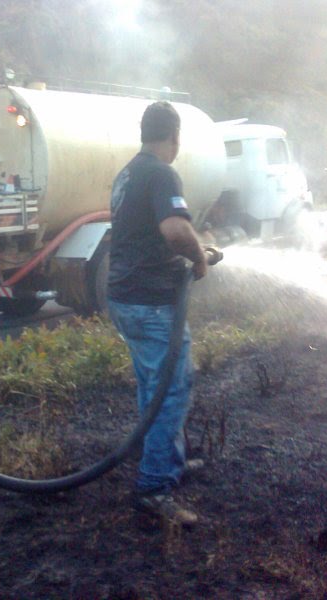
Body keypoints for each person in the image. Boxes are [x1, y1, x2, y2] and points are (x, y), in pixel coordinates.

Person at [108, 101, 208, 525]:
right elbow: (174, 230)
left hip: (125, 298)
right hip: (151, 303)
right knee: (172, 387)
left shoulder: (128, 173)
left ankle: (169, 460)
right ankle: (153, 487)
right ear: (175, 136)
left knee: (153, 384)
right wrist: (200, 258)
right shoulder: (161, 172)